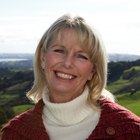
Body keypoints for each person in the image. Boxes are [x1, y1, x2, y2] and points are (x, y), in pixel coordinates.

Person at [1, 14, 140, 140]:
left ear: (93, 70)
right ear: (43, 58)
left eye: (81, 56)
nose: (67, 63)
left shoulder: (131, 131)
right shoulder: (14, 134)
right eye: (59, 51)